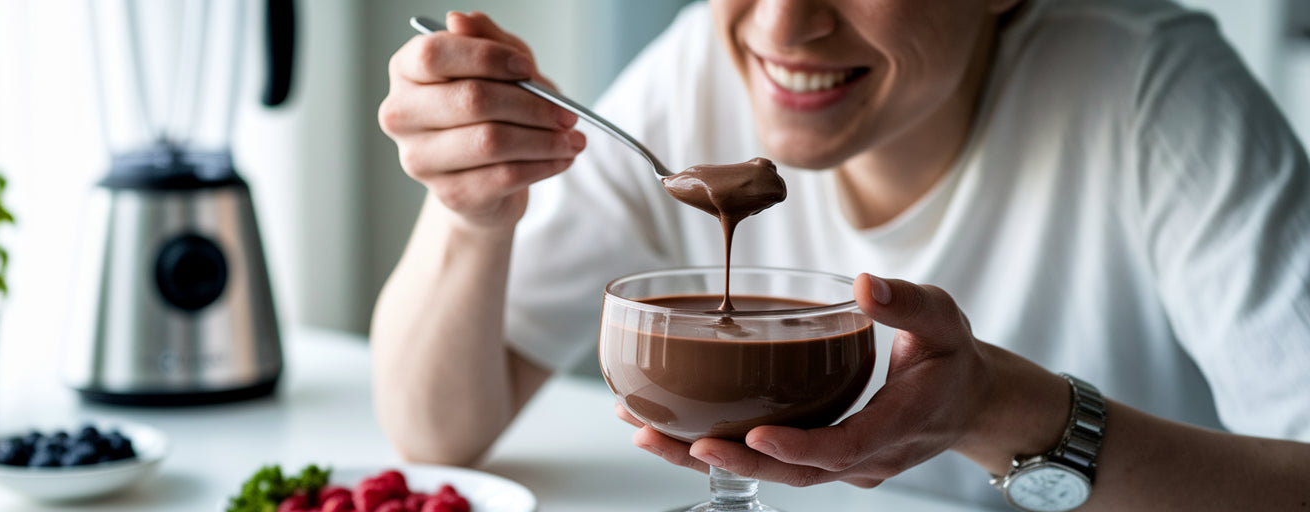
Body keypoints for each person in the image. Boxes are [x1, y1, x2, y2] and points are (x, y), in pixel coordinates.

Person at [371, 0, 1310, 509]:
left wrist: (998, 410)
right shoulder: (701, 60)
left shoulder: (1156, 91)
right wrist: (472, 213)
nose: (781, 29)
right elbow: (436, 432)